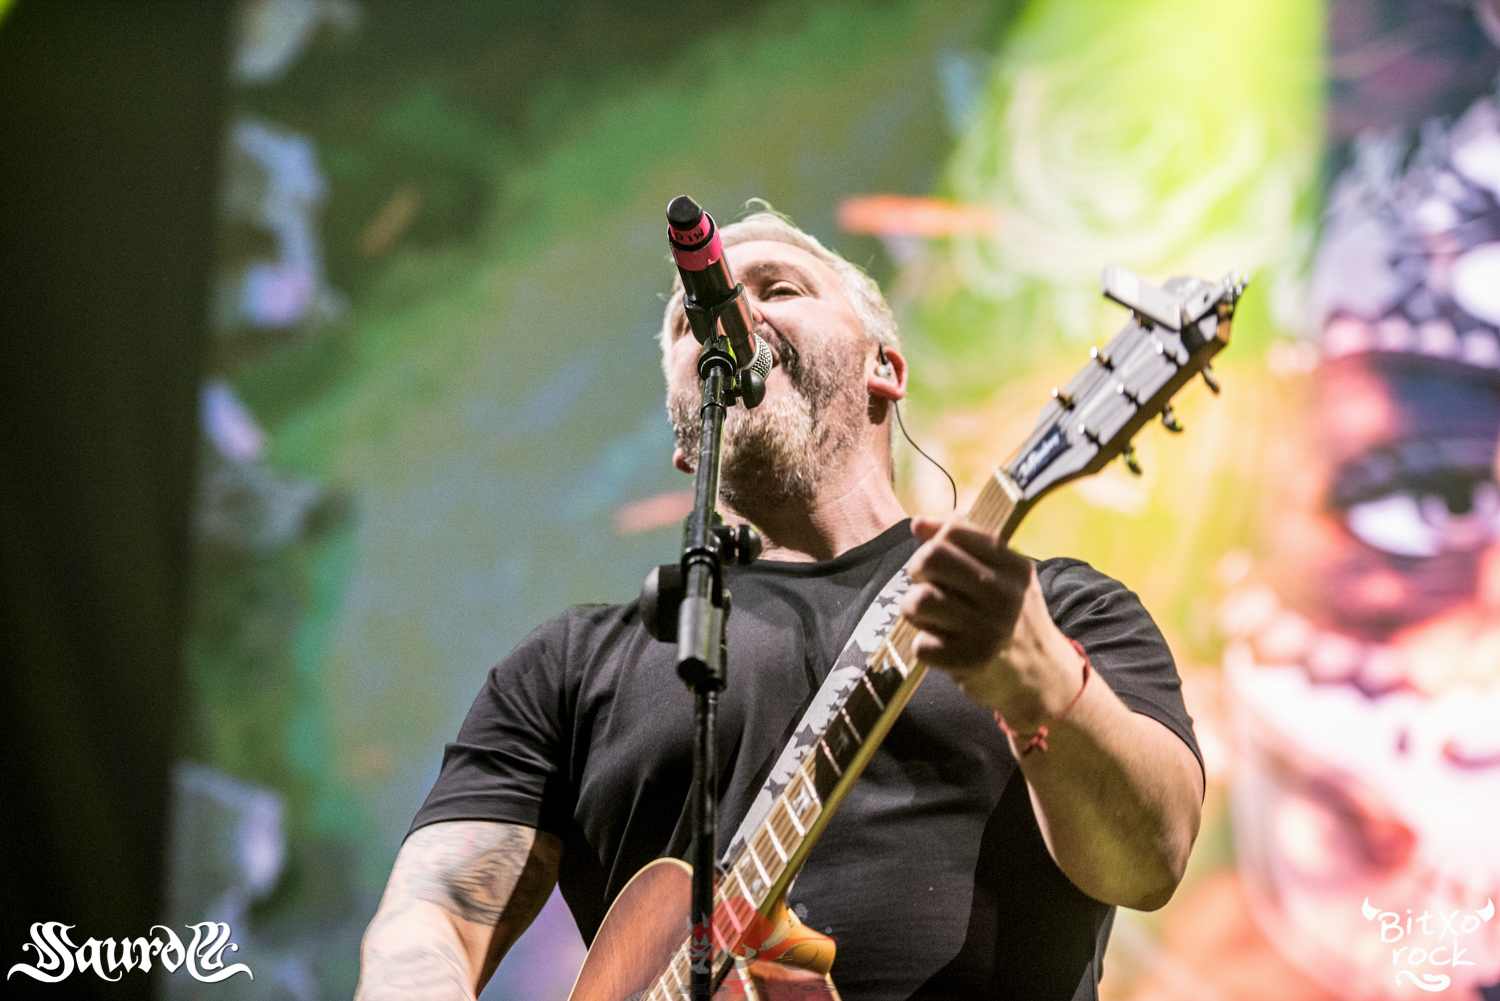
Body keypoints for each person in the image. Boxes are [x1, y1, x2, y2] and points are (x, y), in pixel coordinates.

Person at [353, 208, 1205, 1001]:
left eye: (780, 288)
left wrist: (1040, 683)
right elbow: (432, 917)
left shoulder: (1050, 610)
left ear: (885, 367)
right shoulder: (570, 666)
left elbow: (1151, 860)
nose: (730, 315)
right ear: (687, 441)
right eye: (689, 324)